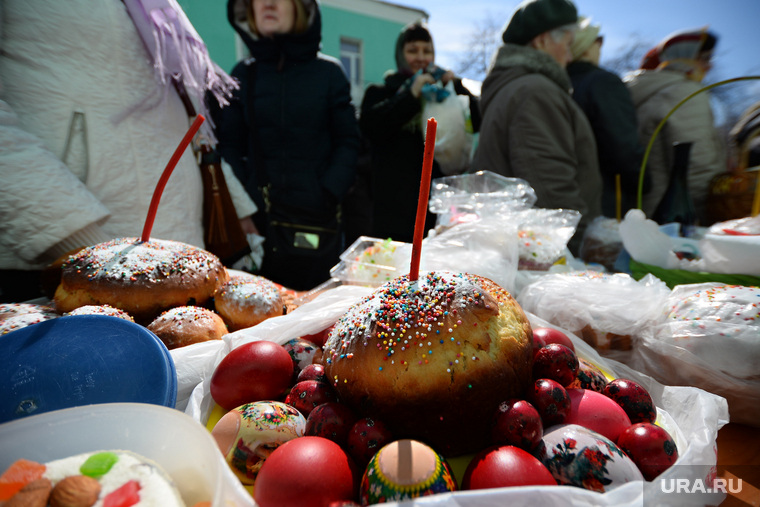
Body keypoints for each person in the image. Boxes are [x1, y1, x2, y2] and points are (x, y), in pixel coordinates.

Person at [0, 0, 251, 303]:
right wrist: (78, 243)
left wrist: (237, 208)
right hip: (79, 259)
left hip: (173, 246)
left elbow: (185, 116)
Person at [213, 0, 360, 291]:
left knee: (314, 321)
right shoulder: (242, 73)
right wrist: (246, 206)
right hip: (259, 229)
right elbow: (228, 146)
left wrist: (328, 192)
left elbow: (350, 141)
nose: (267, 3)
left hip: (318, 223)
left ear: (302, 8)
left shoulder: (328, 72)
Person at [471, 0, 601, 255]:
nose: (570, 55)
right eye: (567, 43)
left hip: (519, 252)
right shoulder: (535, 92)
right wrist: (576, 252)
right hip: (543, 259)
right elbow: (551, 190)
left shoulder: (519, 88)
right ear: (542, 41)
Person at [360, 22, 481, 243]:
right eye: (412, 50)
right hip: (392, 213)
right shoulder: (381, 92)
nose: (421, 57)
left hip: (435, 212)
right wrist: (411, 94)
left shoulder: (442, 94)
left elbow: (476, 121)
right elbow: (372, 128)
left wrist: (457, 87)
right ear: (400, 54)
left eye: (427, 51)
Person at [624, 27, 725, 225]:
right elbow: (696, 168)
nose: (709, 66)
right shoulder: (685, 93)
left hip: (648, 212)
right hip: (679, 218)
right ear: (685, 57)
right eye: (704, 58)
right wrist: (710, 220)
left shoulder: (648, 90)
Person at [567, 18, 646, 219]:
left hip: (566, 196)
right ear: (584, 48)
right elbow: (622, 146)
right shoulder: (603, 83)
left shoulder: (556, 84)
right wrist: (644, 183)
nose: (601, 46)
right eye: (597, 40)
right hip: (607, 199)